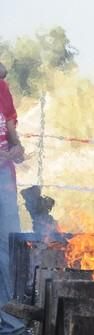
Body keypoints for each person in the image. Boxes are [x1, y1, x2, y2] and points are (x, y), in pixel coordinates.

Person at [0, 62, 24, 305]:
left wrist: (17, 146)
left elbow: (9, 124)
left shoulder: (2, 88)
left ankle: (11, 326)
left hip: (3, 178)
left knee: (9, 247)